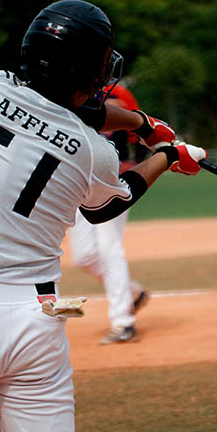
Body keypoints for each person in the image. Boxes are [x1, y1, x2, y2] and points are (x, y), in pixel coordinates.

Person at [0, 0, 206, 432]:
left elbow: (61, 107)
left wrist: (142, 124)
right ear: (90, 73)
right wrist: (167, 156)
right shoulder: (94, 154)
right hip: (31, 321)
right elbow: (110, 203)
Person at [68, 83, 150, 345]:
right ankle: (133, 293)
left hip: (113, 179)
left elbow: (134, 121)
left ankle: (123, 322)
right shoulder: (62, 89)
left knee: (108, 247)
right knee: (83, 256)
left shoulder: (117, 92)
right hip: (78, 181)